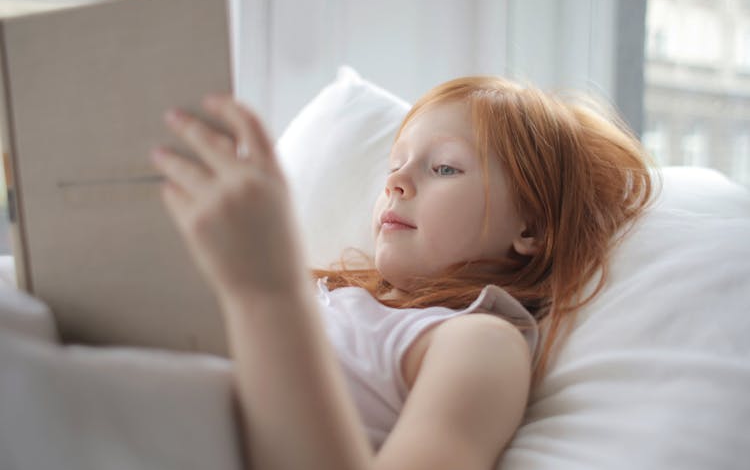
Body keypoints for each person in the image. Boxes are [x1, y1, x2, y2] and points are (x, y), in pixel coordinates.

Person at [149, 76, 654, 470]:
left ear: (532, 227)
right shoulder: (330, 293)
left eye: (445, 168)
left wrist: (267, 292)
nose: (396, 181)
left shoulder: (479, 341)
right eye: (396, 162)